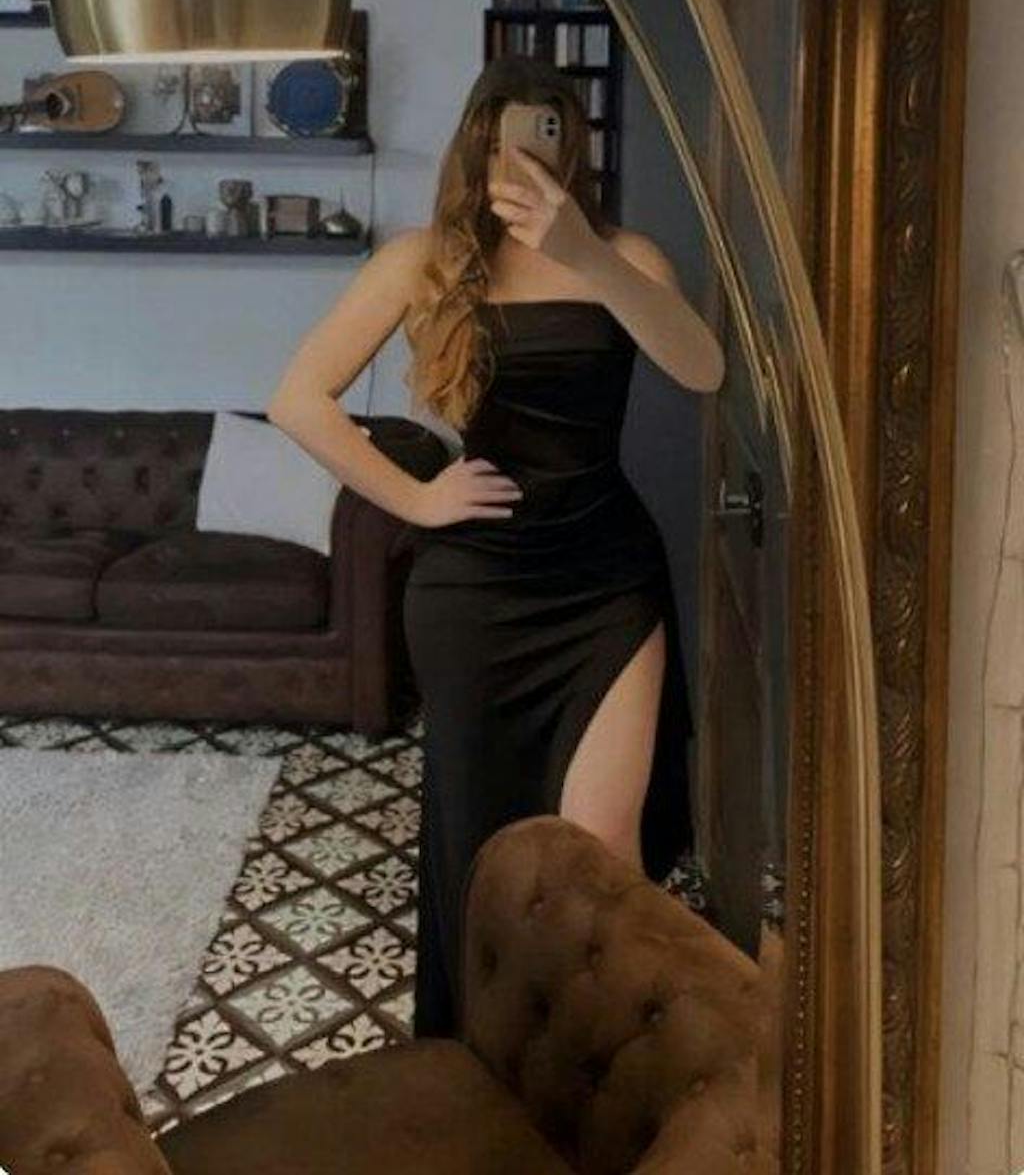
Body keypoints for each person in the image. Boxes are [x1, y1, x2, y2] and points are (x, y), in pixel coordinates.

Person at [267, 55, 725, 1038]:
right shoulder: (423, 260)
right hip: (475, 593)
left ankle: (593, 1063)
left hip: (608, 580)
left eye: (550, 133)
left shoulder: (627, 256)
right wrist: (417, 499)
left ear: (576, 144)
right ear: (476, 144)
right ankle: (491, 1058)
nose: (526, 157)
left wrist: (587, 256)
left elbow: (703, 367)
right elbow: (298, 399)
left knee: (603, 854)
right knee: (484, 846)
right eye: (506, 137)